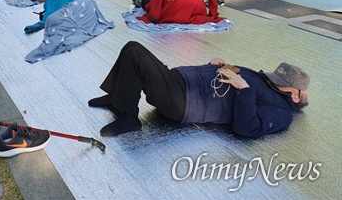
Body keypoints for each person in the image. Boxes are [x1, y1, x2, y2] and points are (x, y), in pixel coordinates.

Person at [89, 41, 310, 137]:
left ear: (295, 94)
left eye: (279, 81)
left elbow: (248, 128)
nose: (271, 80)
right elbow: (227, 79)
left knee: (135, 55)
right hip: (183, 82)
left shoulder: (281, 113)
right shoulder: (261, 79)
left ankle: (129, 117)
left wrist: (244, 89)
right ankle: (117, 96)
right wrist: (214, 66)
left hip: (184, 102)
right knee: (132, 47)